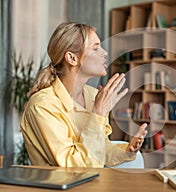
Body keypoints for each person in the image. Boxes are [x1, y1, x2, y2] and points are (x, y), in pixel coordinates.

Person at [20, 22, 147, 168]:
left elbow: (100, 150)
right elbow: (72, 167)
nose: (105, 52)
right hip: (58, 189)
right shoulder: (42, 105)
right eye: (96, 48)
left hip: (91, 185)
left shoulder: (93, 96)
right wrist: (98, 112)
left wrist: (127, 151)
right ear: (72, 58)